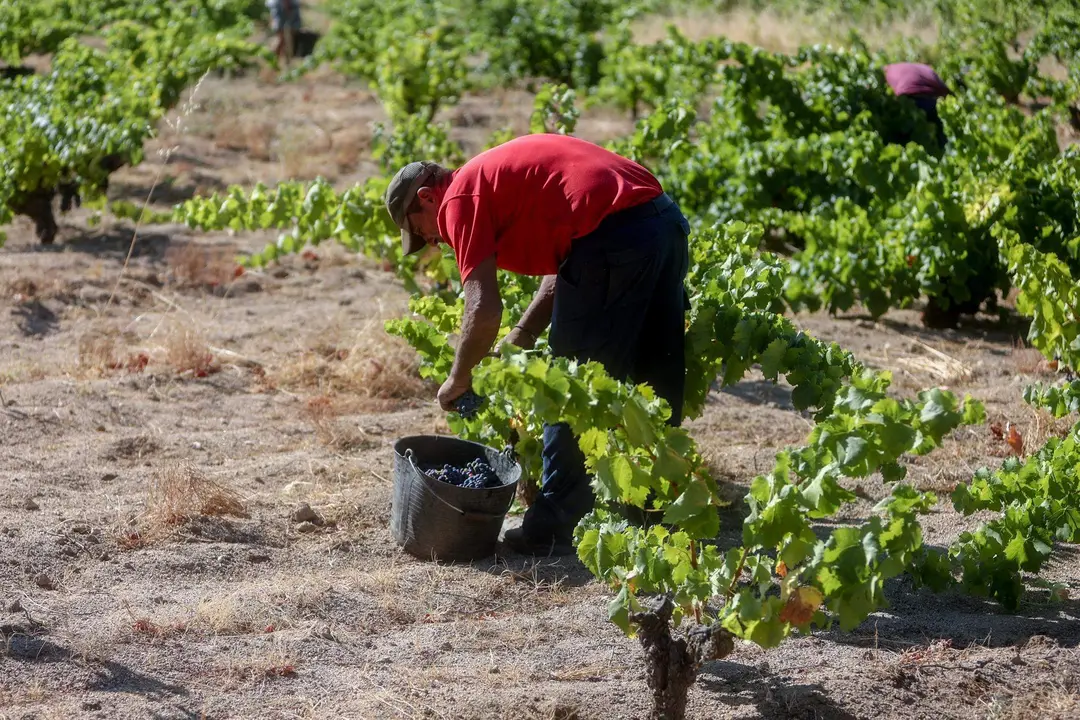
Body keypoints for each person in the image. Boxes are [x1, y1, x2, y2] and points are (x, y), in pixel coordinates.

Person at [384, 134, 691, 556]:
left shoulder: (458, 198)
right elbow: (568, 255)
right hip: (663, 224)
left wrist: (458, 378)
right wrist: (524, 331)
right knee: (657, 370)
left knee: (567, 384)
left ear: (427, 197)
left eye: (423, 232)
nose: (435, 244)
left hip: (614, 240)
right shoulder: (493, 178)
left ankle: (555, 527)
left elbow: (483, 305)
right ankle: (656, 509)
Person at [883, 62, 951, 146]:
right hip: (935, 96)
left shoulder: (889, 72)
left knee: (912, 131)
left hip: (914, 97)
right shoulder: (921, 67)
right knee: (940, 129)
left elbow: (898, 94)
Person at [266, 0, 302, 66]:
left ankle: (284, 61)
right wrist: (286, 5)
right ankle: (272, 60)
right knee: (282, 38)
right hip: (284, 5)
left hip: (285, 5)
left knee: (285, 38)